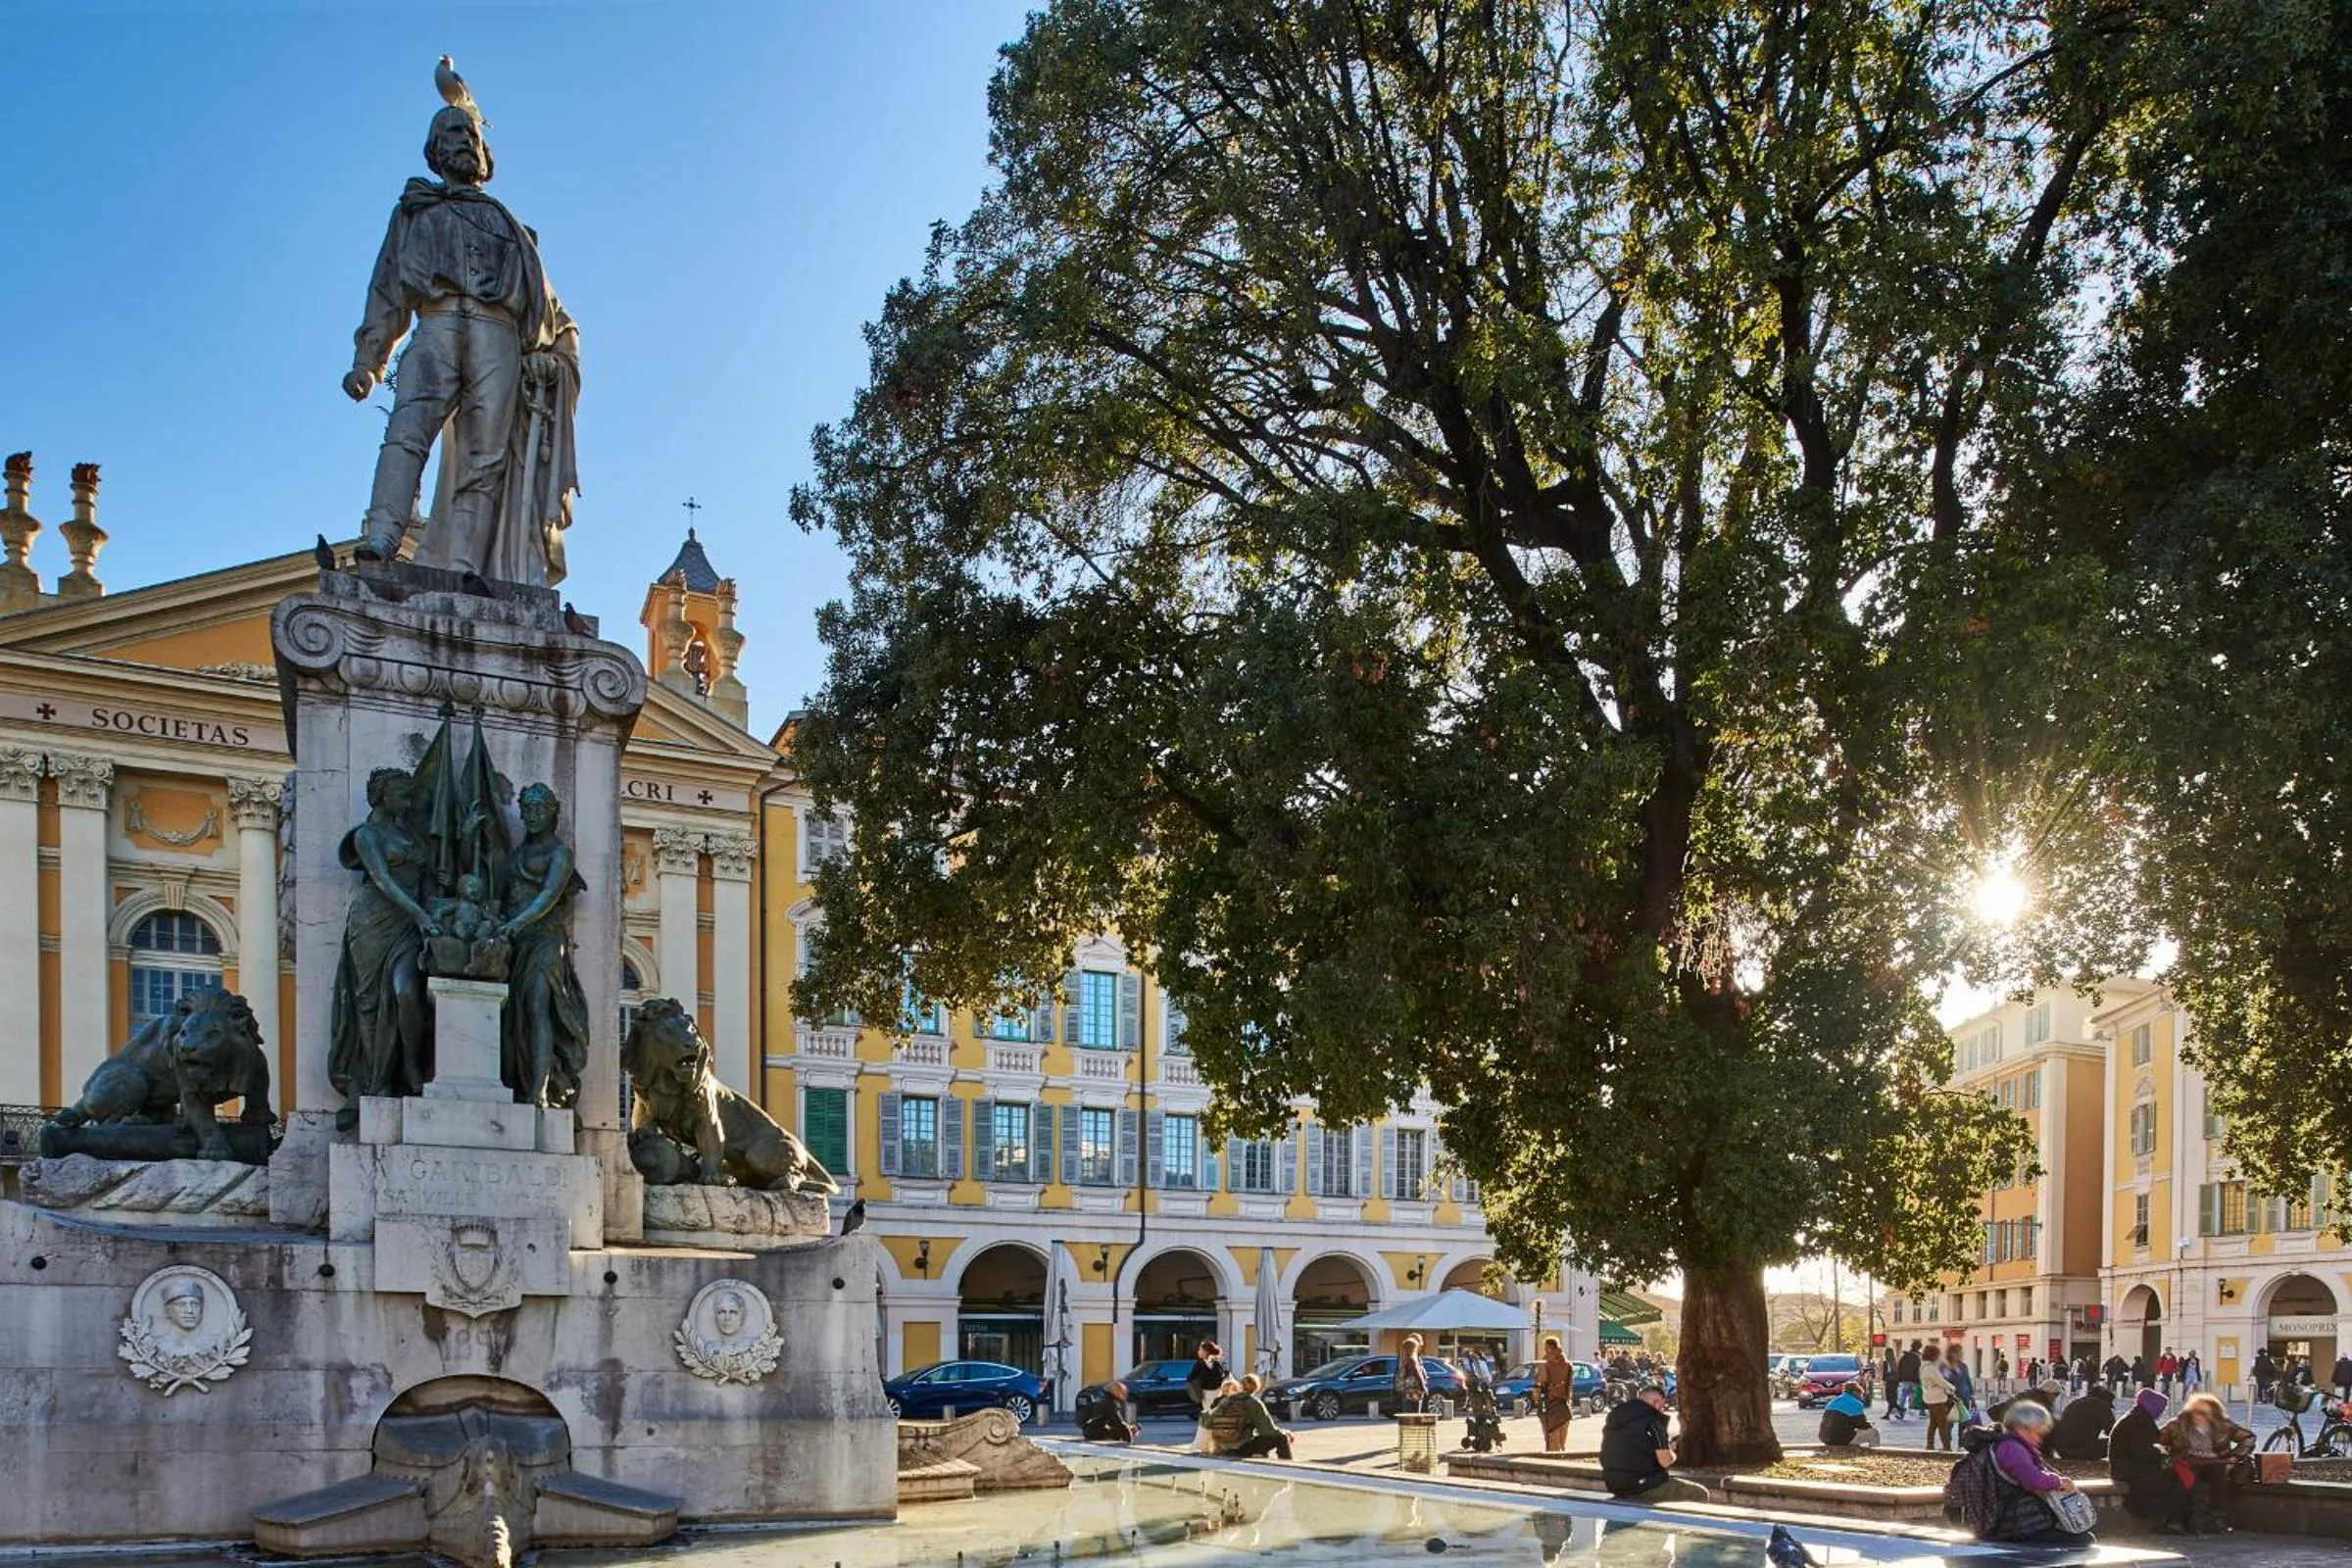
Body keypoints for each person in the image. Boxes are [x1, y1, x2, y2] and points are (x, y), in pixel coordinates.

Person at [346, 77, 581, 586]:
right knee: (408, 428)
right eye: (453, 132)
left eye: (472, 136)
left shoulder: (511, 228)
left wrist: (550, 354)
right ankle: (383, 535)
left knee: (486, 457)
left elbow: (552, 313)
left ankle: (464, 568)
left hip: (499, 335)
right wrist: (370, 360)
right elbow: (387, 289)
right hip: (437, 322)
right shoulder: (415, 211)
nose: (464, 142)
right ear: (434, 149)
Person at [1979, 1401, 2097, 1547]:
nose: (2039, 1440)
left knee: (2080, 1538)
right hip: (2015, 1524)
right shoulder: (2012, 1448)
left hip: (2014, 1520)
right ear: (2022, 1428)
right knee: (2082, 1542)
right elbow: (2032, 1480)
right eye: (2038, 1433)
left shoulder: (2008, 1444)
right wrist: (2059, 1481)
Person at [2162, 1391, 2255, 1533]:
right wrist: (2166, 1454)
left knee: (2218, 1475)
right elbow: (2157, 1440)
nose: (2201, 1417)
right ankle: (2178, 1521)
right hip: (2189, 1460)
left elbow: (2248, 1438)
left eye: (2206, 1413)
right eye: (2198, 1412)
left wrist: (2235, 1457)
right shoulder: (2176, 1425)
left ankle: (2218, 1519)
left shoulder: (2223, 1425)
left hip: (2215, 1461)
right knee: (2185, 1479)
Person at [1599, 1386, 1709, 1503]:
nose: (1662, 1411)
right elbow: (1665, 1461)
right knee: (1699, 1493)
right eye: (1662, 1407)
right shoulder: (1653, 1422)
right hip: (1644, 1485)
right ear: (1656, 1402)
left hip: (1614, 1484)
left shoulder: (1615, 1418)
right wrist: (1671, 1451)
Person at [2110, 1387, 2191, 1535]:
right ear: (2153, 1407)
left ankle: (2172, 1520)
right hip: (2129, 1469)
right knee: (2174, 1479)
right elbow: (2143, 1450)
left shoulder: (2138, 1418)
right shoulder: (2139, 1421)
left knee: (2174, 1476)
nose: (2162, 1413)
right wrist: (2160, 1452)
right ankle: (2171, 1521)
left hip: (2128, 1466)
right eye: (2162, 1409)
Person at [1214, 1375, 1296, 1459]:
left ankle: (1262, 1454)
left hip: (1222, 1447)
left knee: (1258, 1437)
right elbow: (1267, 1430)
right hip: (1241, 1448)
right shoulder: (1253, 1402)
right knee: (1281, 1438)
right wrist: (1285, 1432)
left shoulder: (1225, 1400)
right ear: (1256, 1388)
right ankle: (1287, 1464)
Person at [2046, 1382, 2116, 1461]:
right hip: (2078, 1451)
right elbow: (2114, 1432)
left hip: (2062, 1450)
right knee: (2117, 1443)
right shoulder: (2102, 1406)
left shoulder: (2077, 1402)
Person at [1534, 1335, 1575, 1453]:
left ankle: (1552, 1467)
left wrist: (1536, 1398)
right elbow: (1570, 1387)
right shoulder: (1568, 1365)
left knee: (1551, 1441)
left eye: (1546, 1349)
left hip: (1549, 1405)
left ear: (1551, 1349)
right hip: (1565, 1405)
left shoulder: (1545, 1365)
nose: (1546, 1351)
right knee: (1562, 1444)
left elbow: (1539, 1385)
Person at [1919, 1344, 1957, 1451]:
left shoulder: (1924, 1367)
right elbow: (1940, 1382)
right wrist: (1952, 1387)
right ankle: (1947, 1447)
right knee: (1942, 1424)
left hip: (1930, 1398)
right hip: (1936, 1399)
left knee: (1933, 1423)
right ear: (1934, 1355)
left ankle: (1930, 1445)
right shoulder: (1930, 1368)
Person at [1818, 1382, 1880, 1448]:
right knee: (1874, 1432)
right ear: (1856, 1392)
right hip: (1839, 1439)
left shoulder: (1834, 1401)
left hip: (1825, 1437)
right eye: (1861, 1394)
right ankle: (1874, 1453)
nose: (1861, 1397)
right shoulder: (1855, 1403)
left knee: (1854, 1433)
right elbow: (1861, 1424)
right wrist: (1870, 1425)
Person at [1079, 1380, 1139, 1444]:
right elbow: (1119, 1423)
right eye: (1123, 1392)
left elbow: (1113, 1422)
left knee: (1119, 1430)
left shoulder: (1106, 1399)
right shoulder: (1112, 1403)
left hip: (1090, 1430)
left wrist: (1128, 1427)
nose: (1124, 1395)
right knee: (1120, 1431)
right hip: (1095, 1432)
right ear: (1117, 1392)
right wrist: (1130, 1441)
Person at [1186, 1342, 1229, 1413]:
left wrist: (1188, 1377)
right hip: (1218, 1392)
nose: (1198, 1352)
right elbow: (1225, 1374)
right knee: (1217, 1412)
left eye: (1200, 1350)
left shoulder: (1199, 1364)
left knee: (1209, 1413)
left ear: (1205, 1352)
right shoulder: (1218, 1363)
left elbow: (1191, 1377)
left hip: (1206, 1393)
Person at [1395, 1335, 1431, 1414]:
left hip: (1406, 1390)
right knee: (1414, 1415)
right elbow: (1417, 1374)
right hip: (1414, 1390)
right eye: (1418, 1347)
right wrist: (1423, 1388)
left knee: (1408, 1414)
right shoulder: (1412, 1360)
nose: (1419, 1349)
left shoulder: (1404, 1358)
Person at [1893, 1341, 1922, 1422]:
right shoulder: (1918, 1357)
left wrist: (1899, 1378)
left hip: (1905, 1379)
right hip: (1914, 1379)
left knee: (1903, 1395)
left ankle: (1900, 1411)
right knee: (1915, 1395)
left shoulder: (1904, 1356)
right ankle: (1916, 1409)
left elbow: (1899, 1367)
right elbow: (1919, 1369)